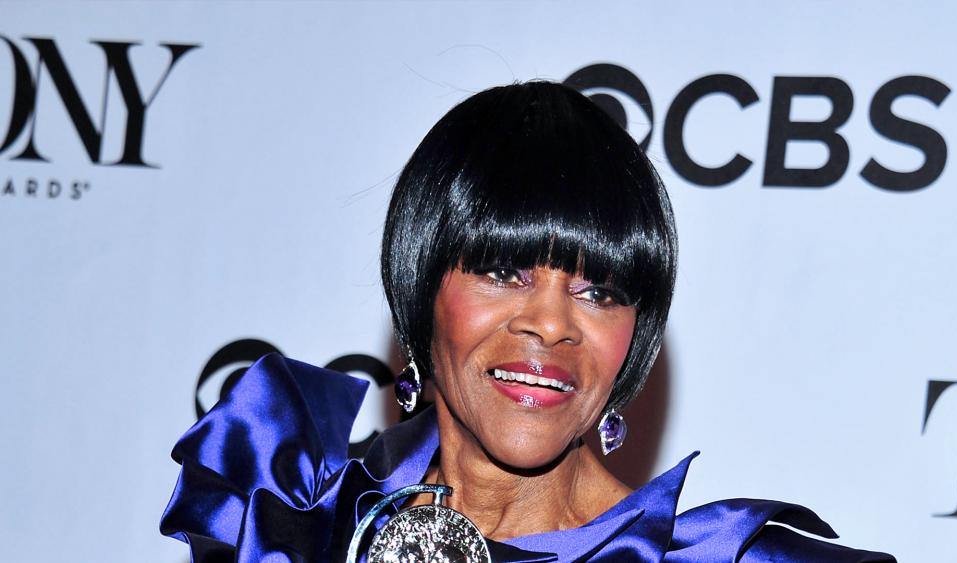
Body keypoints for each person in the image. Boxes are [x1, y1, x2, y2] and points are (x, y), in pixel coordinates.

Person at [161, 82, 895, 562]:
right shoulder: (290, 514)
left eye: (599, 291)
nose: (550, 324)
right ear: (420, 288)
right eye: (504, 270)